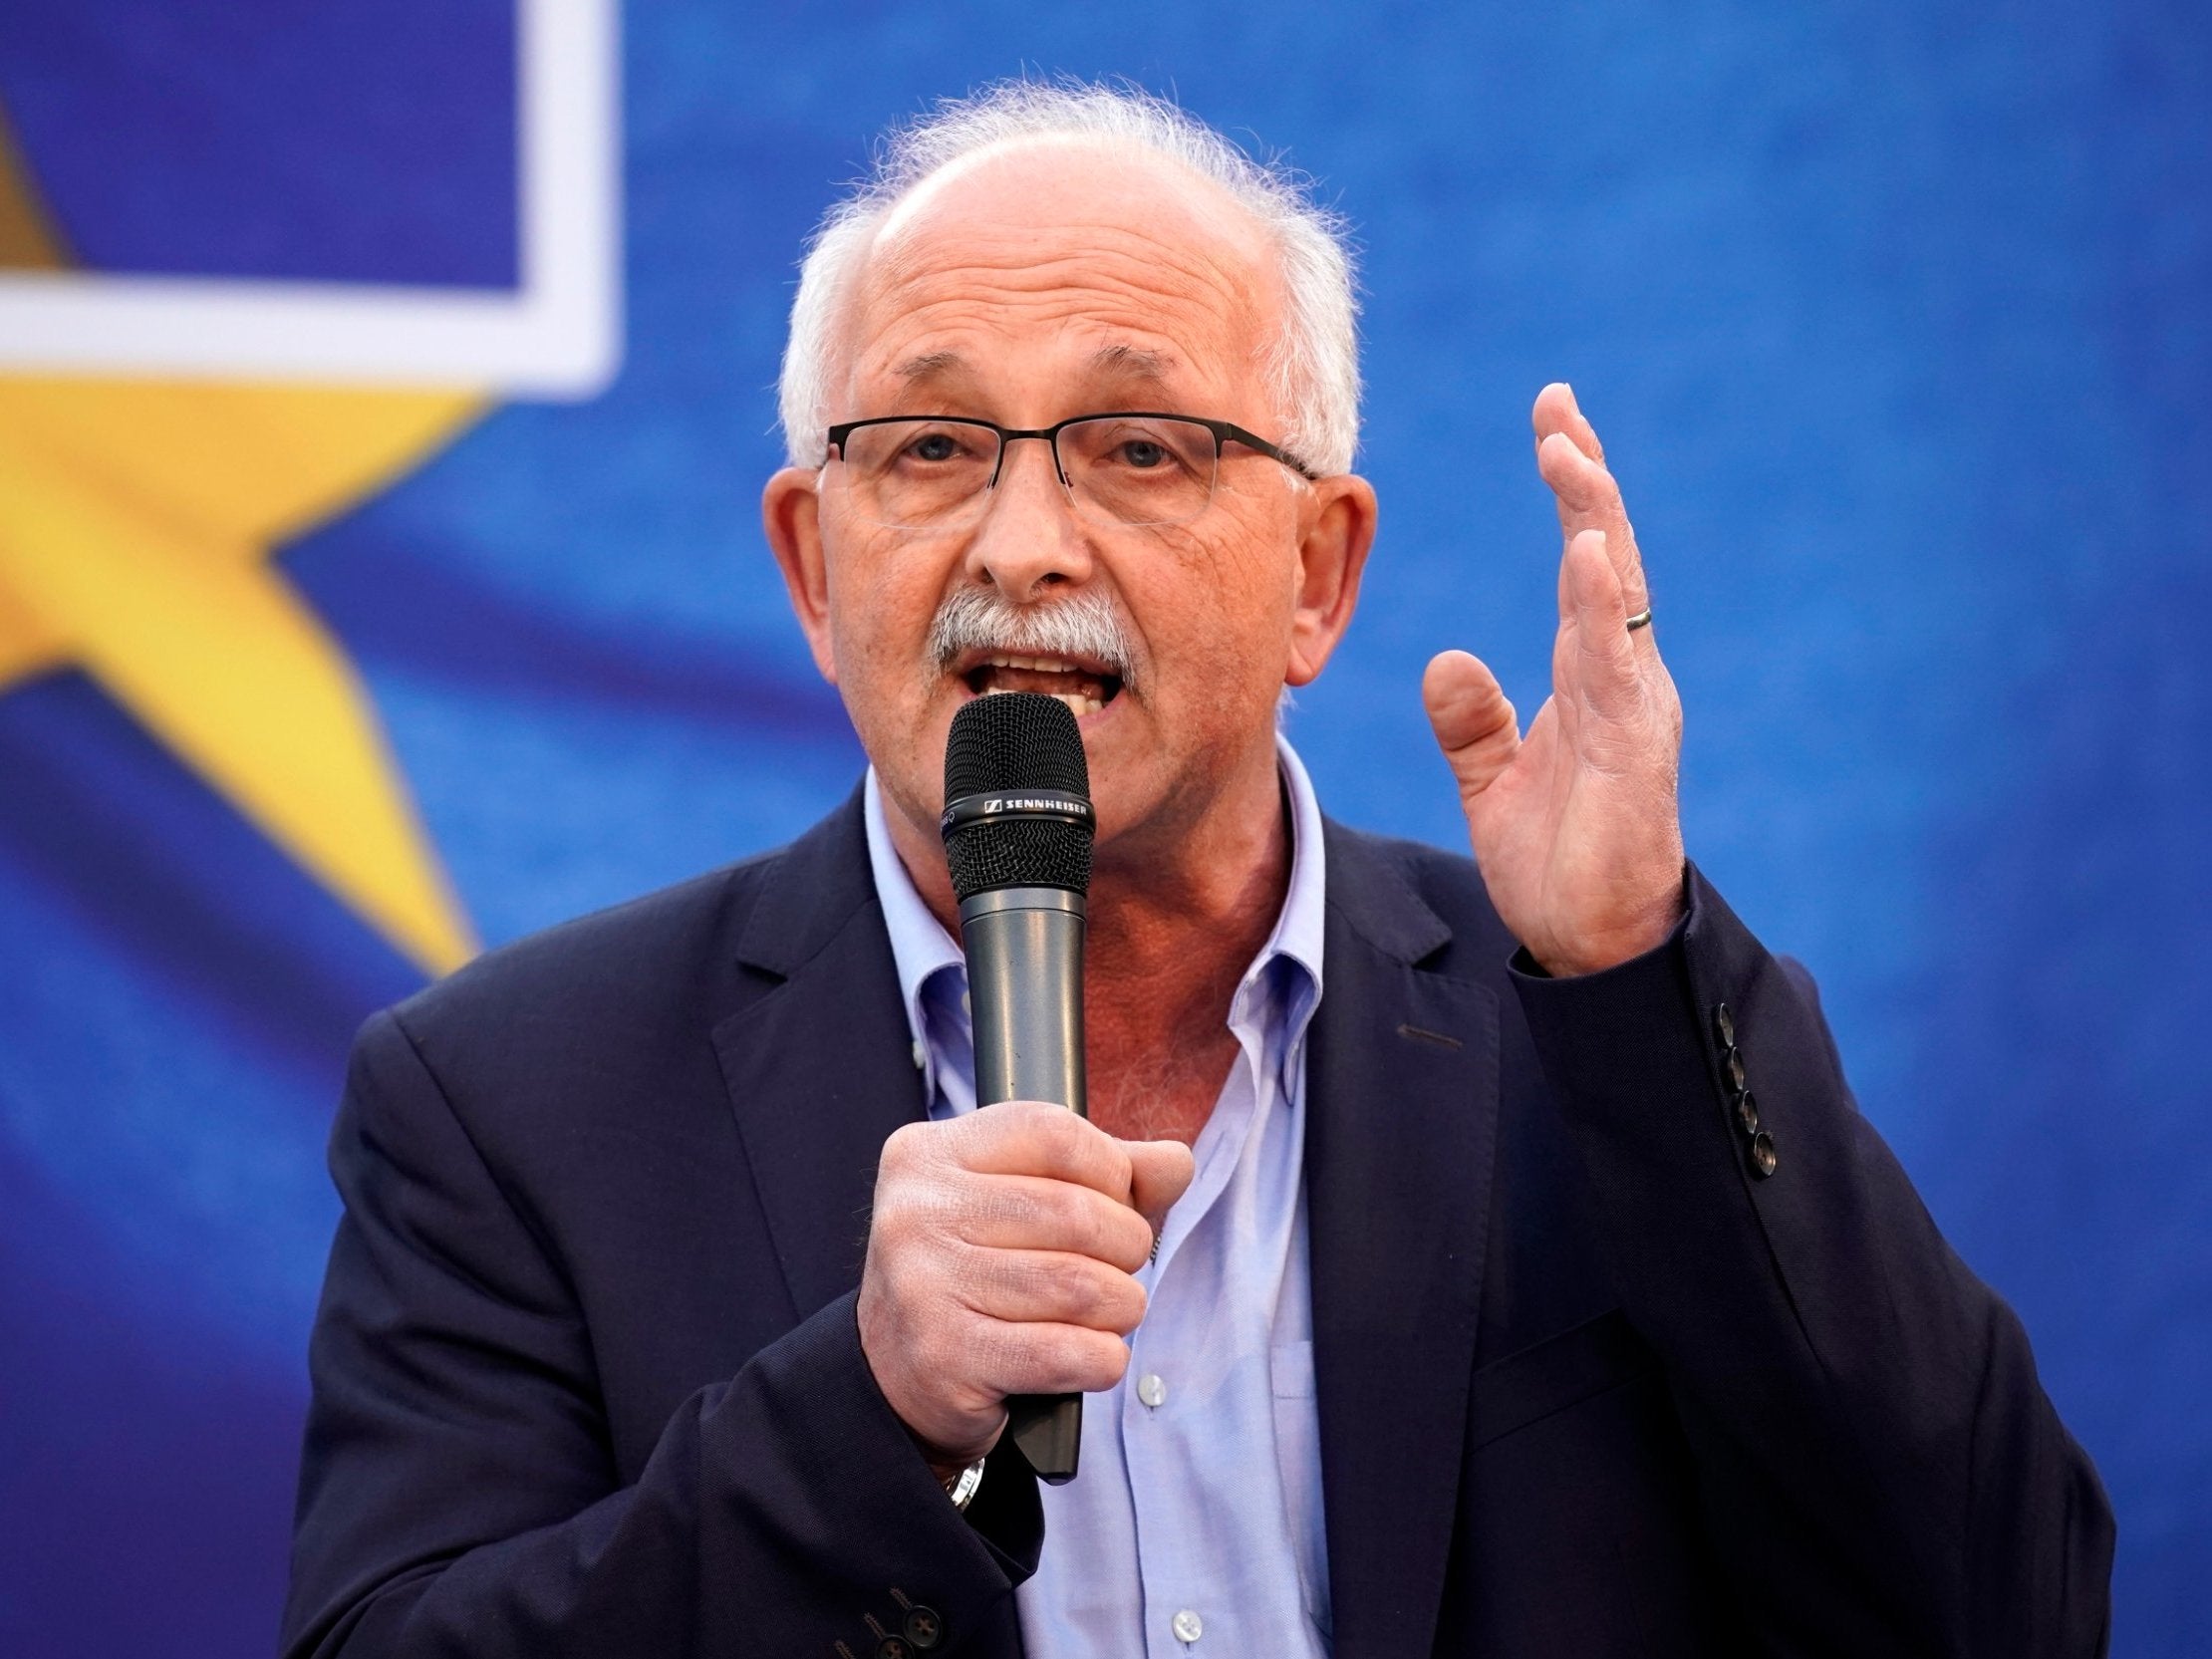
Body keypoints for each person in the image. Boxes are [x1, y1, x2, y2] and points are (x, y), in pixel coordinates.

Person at [281, 83, 2113, 1659]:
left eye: (1137, 449)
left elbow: (2003, 1606)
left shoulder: (1597, 1030)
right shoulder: (510, 1101)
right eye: (926, 448)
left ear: (1317, 572)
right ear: (812, 571)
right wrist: (868, 1415)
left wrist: (1636, 974)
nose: (1022, 543)